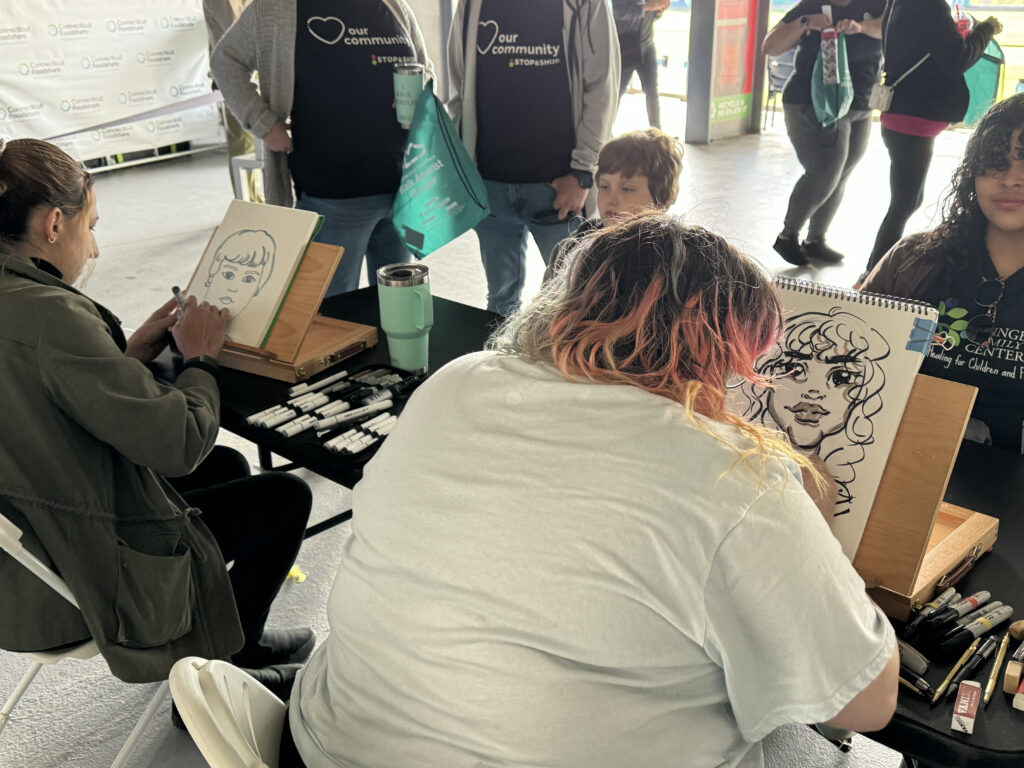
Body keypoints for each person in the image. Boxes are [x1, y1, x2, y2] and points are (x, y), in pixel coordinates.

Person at [279, 214, 898, 767]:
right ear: (723, 351)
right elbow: (864, 701)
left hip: (326, 743)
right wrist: (812, 528)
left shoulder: (457, 381)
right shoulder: (735, 476)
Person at [0, 138, 314, 697]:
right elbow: (179, 442)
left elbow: (41, 392)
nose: (93, 249)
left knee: (226, 466)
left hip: (26, 548)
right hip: (81, 563)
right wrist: (199, 359)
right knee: (285, 495)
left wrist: (123, 359)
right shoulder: (52, 315)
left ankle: (231, 643)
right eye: (90, 226)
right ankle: (218, 688)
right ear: (53, 224)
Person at [210, 0, 433, 296]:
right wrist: (263, 122)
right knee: (336, 315)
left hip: (403, 191)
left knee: (399, 306)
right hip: (333, 198)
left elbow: (424, 67)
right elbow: (225, 60)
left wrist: (422, 89)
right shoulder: (277, 9)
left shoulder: (393, 5)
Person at [862, 93, 1024, 453]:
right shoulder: (913, 260)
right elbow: (857, 358)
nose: (1010, 179)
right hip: (902, 459)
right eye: (995, 161)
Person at [447, 0, 620, 315]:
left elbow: (602, 88)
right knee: (500, 301)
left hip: (559, 189)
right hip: (489, 188)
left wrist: (583, 173)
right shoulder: (473, 4)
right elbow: (459, 85)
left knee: (575, 303)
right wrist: (464, 172)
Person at [862, 3, 1001, 279]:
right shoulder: (929, 4)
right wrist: (986, 29)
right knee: (904, 203)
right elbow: (956, 60)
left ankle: (874, 271)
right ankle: (873, 274)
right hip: (913, 118)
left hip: (904, 115)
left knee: (907, 201)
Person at [763, 0, 884, 266]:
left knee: (841, 174)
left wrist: (859, 27)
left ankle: (815, 239)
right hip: (815, 103)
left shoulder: (878, 4)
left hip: (861, 103)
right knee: (825, 170)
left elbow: (888, 29)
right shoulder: (810, 6)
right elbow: (770, 46)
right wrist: (806, 23)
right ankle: (788, 236)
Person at [740, 308, 890, 514]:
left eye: (841, 378)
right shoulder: (734, 469)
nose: (814, 392)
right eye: (794, 369)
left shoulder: (849, 498)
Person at [544, 126, 683, 280]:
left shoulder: (676, 263)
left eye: (627, 189)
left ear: (662, 198)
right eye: (604, 186)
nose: (611, 199)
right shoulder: (572, 249)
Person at [203, 0, 264, 203]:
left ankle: (259, 202)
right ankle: (250, 205)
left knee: (259, 149)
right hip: (238, 81)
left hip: (258, 76)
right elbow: (238, 33)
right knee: (245, 147)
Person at [612, 0, 669, 129]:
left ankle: (657, 133)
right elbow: (618, 12)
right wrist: (647, 7)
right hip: (626, 47)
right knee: (617, 90)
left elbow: (652, 16)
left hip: (646, 44)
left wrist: (659, 10)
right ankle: (605, 132)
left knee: (651, 89)